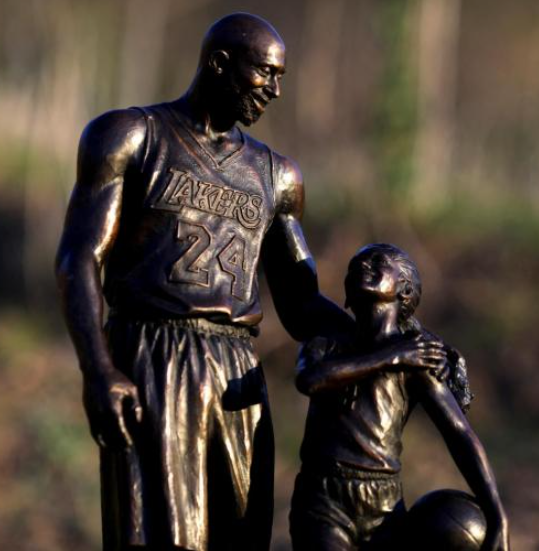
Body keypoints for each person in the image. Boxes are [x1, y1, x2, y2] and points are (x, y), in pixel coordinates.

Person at [55, 13, 352, 551]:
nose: (276, 91)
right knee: (164, 536)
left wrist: (395, 342)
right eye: (265, 73)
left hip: (238, 373)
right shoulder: (131, 136)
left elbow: (301, 302)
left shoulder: (277, 176)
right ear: (219, 64)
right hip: (152, 354)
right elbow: (79, 258)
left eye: (280, 76)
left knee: (242, 536)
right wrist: (97, 369)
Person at [290, 243, 510, 551]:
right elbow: (310, 379)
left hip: (383, 504)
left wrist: (497, 514)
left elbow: (460, 434)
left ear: (404, 291)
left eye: (377, 261)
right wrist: (393, 356)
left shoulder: (417, 361)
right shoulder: (326, 344)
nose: (362, 266)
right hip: (324, 496)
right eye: (355, 265)